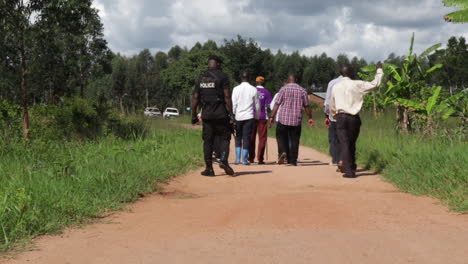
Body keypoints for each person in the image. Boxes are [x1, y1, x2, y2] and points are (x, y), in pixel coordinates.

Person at [330, 63, 384, 178]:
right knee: (351, 143)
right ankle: (352, 166)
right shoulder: (357, 84)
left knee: (344, 143)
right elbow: (375, 84)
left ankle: (349, 171)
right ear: (350, 73)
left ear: (341, 73)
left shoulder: (335, 86)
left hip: (340, 117)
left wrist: (335, 116)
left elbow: (332, 105)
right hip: (354, 118)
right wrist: (379, 70)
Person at [191, 55, 235, 177]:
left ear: (209, 64)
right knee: (225, 137)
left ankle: (209, 169)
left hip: (207, 115)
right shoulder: (223, 76)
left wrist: (194, 115)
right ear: (218, 64)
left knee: (208, 141)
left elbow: (195, 98)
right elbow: (227, 96)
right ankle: (224, 160)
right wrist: (231, 114)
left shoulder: (200, 78)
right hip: (221, 114)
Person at [269, 74, 315, 166]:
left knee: (281, 137)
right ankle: (293, 161)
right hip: (296, 120)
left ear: (288, 80)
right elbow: (307, 106)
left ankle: (283, 151)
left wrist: (272, 117)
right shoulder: (302, 91)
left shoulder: (283, 89)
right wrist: (310, 117)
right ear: (296, 80)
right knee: (295, 140)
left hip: (283, 119)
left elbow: (276, 104)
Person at [232, 72, 260, 165]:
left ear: (241, 78)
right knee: (247, 137)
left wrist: (233, 115)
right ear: (249, 78)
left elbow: (234, 104)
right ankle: (244, 160)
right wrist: (257, 116)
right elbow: (257, 105)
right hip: (249, 116)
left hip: (238, 116)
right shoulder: (253, 89)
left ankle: (237, 159)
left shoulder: (235, 89)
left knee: (238, 137)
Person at [249, 76, 272, 165]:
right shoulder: (267, 92)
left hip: (252, 116)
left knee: (251, 137)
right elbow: (270, 105)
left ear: (256, 82)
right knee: (262, 138)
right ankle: (260, 159)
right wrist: (271, 116)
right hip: (263, 117)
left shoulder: (252, 90)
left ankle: (251, 158)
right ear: (263, 82)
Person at [324, 74, 344, 167]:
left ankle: (335, 160)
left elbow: (327, 102)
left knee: (333, 138)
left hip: (334, 116)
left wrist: (326, 116)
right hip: (348, 115)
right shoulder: (353, 83)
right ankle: (342, 159)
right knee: (344, 139)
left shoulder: (332, 83)